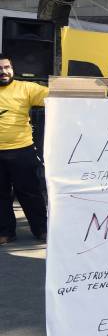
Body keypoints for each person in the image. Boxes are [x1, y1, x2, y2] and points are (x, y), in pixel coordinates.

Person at [0, 54, 48, 245]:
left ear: (12, 69)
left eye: (6, 67)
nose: (3, 72)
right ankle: (5, 232)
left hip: (22, 151)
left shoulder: (26, 88)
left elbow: (55, 96)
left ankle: (41, 229)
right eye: (0, 68)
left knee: (30, 193)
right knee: (0, 195)